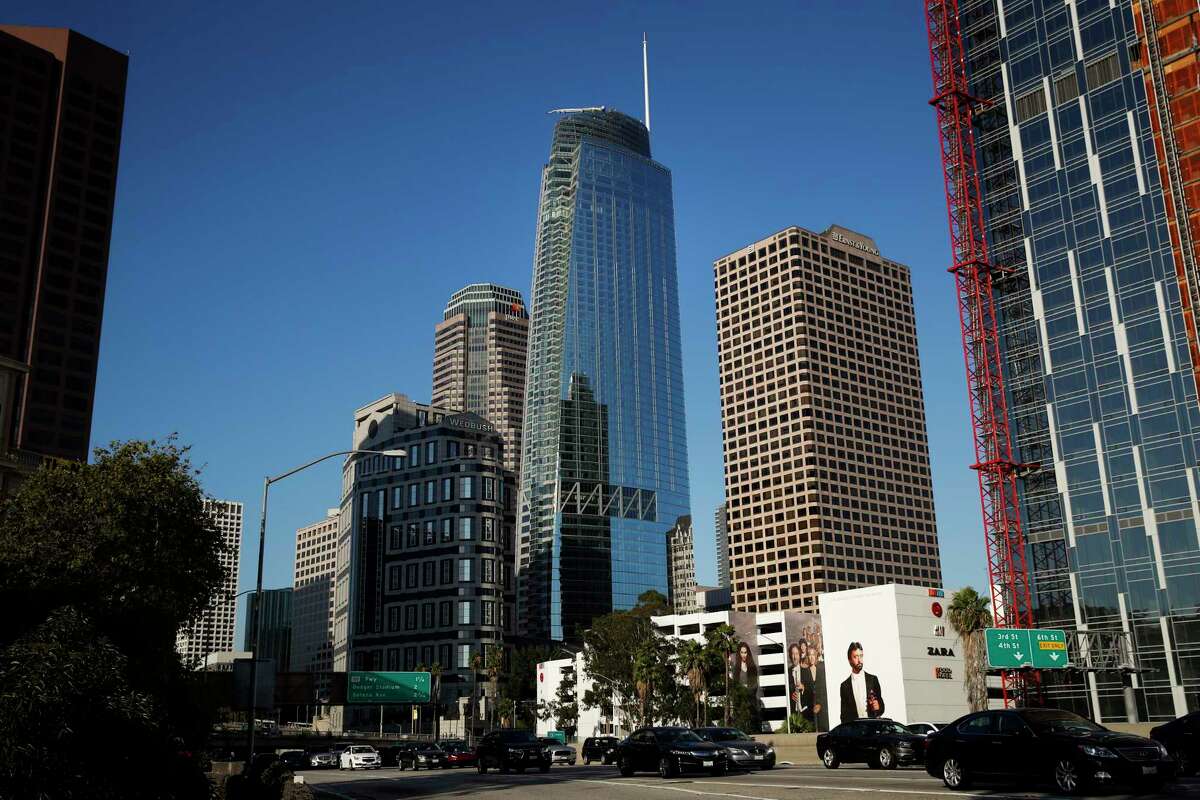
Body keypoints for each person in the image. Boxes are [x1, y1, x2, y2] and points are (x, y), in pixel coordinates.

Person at [839, 641, 884, 723]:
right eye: (855, 657)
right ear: (849, 660)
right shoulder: (844, 686)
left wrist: (878, 707)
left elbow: (881, 707)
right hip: (856, 732)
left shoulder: (873, 680)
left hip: (873, 728)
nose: (859, 660)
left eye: (861, 656)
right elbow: (844, 716)